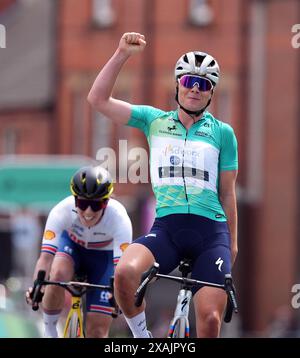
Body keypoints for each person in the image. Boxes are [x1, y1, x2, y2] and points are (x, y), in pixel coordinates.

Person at [87, 32, 238, 338]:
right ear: (177, 86)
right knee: (125, 274)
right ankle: (144, 339)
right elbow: (98, 100)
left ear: (211, 93)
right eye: (188, 82)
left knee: (209, 321)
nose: (195, 89)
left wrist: (232, 243)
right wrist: (121, 54)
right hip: (167, 228)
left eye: (204, 84)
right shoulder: (153, 121)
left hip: (212, 233)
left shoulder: (223, 133)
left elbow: (227, 192)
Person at [26, 166, 132, 338]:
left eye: (96, 204)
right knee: (58, 273)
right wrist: (37, 287)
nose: (88, 211)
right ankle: (50, 331)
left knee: (97, 332)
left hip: (104, 259)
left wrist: (120, 295)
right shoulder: (61, 210)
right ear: (75, 200)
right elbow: (45, 259)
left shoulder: (119, 218)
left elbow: (121, 269)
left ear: (107, 201)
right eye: (82, 203)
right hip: (72, 249)